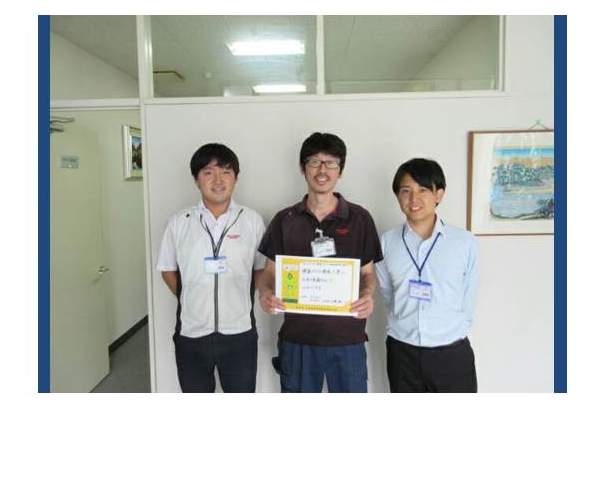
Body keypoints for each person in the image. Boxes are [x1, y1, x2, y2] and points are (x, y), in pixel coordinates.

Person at [256, 132, 382, 392]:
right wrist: (265, 292)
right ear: (302, 168)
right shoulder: (285, 220)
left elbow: (368, 274)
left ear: (340, 170)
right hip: (298, 340)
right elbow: (269, 272)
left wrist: (368, 295)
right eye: (314, 162)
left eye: (331, 163)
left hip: (348, 340)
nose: (322, 170)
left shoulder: (360, 219)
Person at [156, 143, 266, 392]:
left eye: (225, 172)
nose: (218, 180)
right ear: (196, 179)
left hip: (239, 333)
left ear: (235, 178)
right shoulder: (179, 222)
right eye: (208, 172)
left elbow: (261, 269)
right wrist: (192, 297)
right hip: (191, 333)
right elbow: (167, 270)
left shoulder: (251, 220)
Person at [375, 158, 480, 392]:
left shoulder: (464, 243)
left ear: (439, 194)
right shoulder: (386, 242)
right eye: (406, 191)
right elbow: (388, 294)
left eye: (423, 189)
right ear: (398, 196)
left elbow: (468, 297)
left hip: (451, 354)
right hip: (403, 353)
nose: (414, 198)